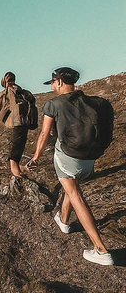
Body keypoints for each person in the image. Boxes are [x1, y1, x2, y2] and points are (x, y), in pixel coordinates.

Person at [26, 67, 114, 266]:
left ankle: (101, 250)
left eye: (53, 84)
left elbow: (45, 134)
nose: (53, 88)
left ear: (59, 82)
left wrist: (36, 157)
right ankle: (64, 221)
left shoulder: (53, 104)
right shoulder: (90, 102)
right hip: (90, 158)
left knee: (75, 195)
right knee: (71, 185)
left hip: (69, 156)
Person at [0, 72, 33, 178]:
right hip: (24, 121)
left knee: (16, 144)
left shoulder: (4, 93)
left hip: (15, 122)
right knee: (19, 143)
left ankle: (15, 167)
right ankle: (16, 167)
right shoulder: (21, 91)